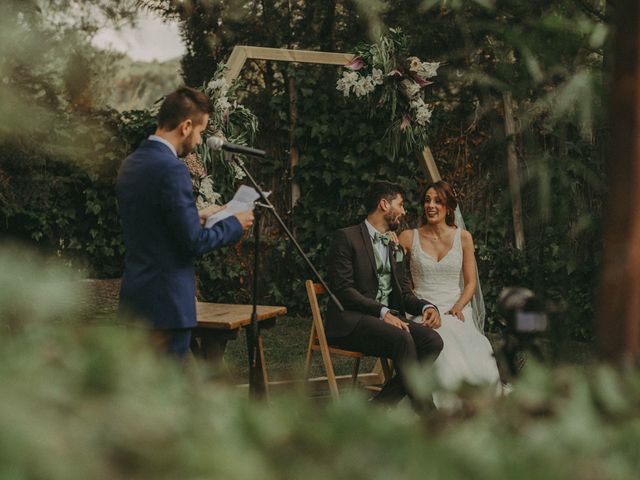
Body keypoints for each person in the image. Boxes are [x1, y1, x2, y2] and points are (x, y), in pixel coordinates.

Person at [116, 86, 254, 359]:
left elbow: (151, 220)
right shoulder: (173, 169)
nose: (200, 141)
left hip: (136, 300)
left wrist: (196, 213)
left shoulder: (132, 163)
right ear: (186, 126)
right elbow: (193, 242)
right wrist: (235, 224)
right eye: (201, 132)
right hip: (166, 307)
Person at [326, 180, 444, 405]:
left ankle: (379, 406)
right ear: (384, 204)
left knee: (432, 340)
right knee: (402, 338)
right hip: (351, 322)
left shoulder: (395, 246)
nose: (403, 211)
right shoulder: (346, 237)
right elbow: (343, 290)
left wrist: (426, 307)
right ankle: (428, 413)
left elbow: (404, 292)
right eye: (400, 204)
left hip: (384, 323)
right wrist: (382, 312)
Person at [398, 181, 501, 407]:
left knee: (469, 342)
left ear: (449, 208)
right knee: (440, 342)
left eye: (438, 201)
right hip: (422, 309)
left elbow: (471, 282)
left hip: (455, 307)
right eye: (427, 200)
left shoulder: (463, 238)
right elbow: (388, 268)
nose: (431, 206)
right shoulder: (408, 237)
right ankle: (437, 406)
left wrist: (458, 306)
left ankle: (472, 400)